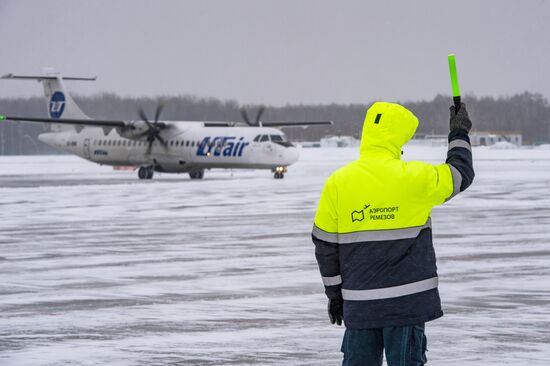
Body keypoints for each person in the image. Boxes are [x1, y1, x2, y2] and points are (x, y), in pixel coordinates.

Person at [312, 102, 474, 366]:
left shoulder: (338, 183)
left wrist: (334, 295)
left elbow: (325, 246)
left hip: (360, 306)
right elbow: (459, 174)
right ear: (399, 138)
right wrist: (459, 133)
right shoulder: (414, 177)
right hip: (406, 308)